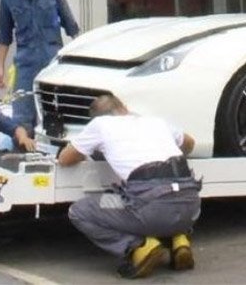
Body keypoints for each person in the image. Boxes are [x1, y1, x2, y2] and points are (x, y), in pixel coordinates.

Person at [58, 93, 201, 279]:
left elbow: (65, 159)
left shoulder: (100, 125)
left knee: (80, 210)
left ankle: (138, 246)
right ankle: (179, 239)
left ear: (97, 118)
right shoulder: (155, 121)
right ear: (124, 107)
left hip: (149, 207)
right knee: (167, 198)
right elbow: (190, 143)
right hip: (190, 207)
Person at [0, 0, 80, 131]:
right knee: (22, 116)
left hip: (53, 63)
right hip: (25, 65)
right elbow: (4, 36)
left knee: (56, 114)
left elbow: (71, 25)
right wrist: (0, 67)